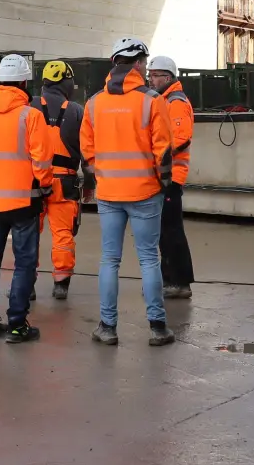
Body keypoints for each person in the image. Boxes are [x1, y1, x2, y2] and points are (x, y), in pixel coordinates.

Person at [81, 37, 175, 347]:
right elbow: (163, 151)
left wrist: (102, 179)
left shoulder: (94, 103)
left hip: (109, 193)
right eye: (146, 64)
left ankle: (107, 328)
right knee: (149, 259)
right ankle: (157, 328)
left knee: (110, 260)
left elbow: (87, 153)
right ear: (136, 64)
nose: (148, 70)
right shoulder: (152, 100)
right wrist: (163, 185)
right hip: (146, 192)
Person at [0, 54, 50, 344]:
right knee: (24, 262)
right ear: (24, 82)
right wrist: (47, 185)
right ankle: (17, 325)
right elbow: (42, 160)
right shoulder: (31, 116)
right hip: (24, 202)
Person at [32, 60, 84, 300]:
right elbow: (88, 149)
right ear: (65, 81)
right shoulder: (76, 110)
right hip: (64, 183)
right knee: (63, 233)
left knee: (29, 232)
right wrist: (92, 182)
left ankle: (26, 283)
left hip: (32, 182)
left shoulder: (28, 106)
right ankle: (61, 283)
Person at [147, 56, 197, 300]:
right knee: (165, 231)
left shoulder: (175, 102)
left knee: (171, 231)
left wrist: (154, 154)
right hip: (165, 175)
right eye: (150, 74)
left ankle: (179, 282)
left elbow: (180, 138)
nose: (151, 78)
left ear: (168, 77)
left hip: (172, 177)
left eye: (155, 75)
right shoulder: (164, 100)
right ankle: (172, 281)